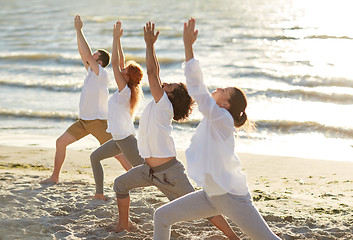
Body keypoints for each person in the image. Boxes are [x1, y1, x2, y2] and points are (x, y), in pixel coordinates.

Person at [153, 18, 281, 240]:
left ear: (226, 104)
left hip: (231, 196)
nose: (219, 88)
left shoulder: (221, 118)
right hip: (211, 194)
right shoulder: (216, 119)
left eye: (224, 90)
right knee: (162, 216)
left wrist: (188, 47)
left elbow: (198, 90)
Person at [112, 21, 239, 240]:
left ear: (174, 95)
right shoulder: (160, 102)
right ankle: (123, 224)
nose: (166, 84)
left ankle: (233, 237)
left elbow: (152, 73)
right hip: (148, 171)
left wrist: (149, 44)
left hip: (170, 173)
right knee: (120, 184)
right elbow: (156, 74)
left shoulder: (164, 106)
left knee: (204, 208)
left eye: (171, 85)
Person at [40, 15, 127, 184]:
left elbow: (86, 53)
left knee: (117, 153)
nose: (89, 58)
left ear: (99, 62)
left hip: (97, 122)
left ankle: (136, 177)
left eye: (94, 57)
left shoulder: (101, 73)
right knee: (60, 142)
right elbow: (83, 52)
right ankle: (55, 177)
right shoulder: (90, 72)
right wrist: (77, 33)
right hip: (83, 122)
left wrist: (79, 30)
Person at [89, 21, 144, 201]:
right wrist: (119, 40)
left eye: (124, 70)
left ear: (127, 77)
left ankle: (172, 187)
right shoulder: (127, 90)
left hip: (126, 140)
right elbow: (119, 62)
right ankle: (99, 194)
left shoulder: (125, 91)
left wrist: (114, 38)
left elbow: (114, 65)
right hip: (118, 139)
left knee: (148, 172)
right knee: (95, 157)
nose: (121, 69)